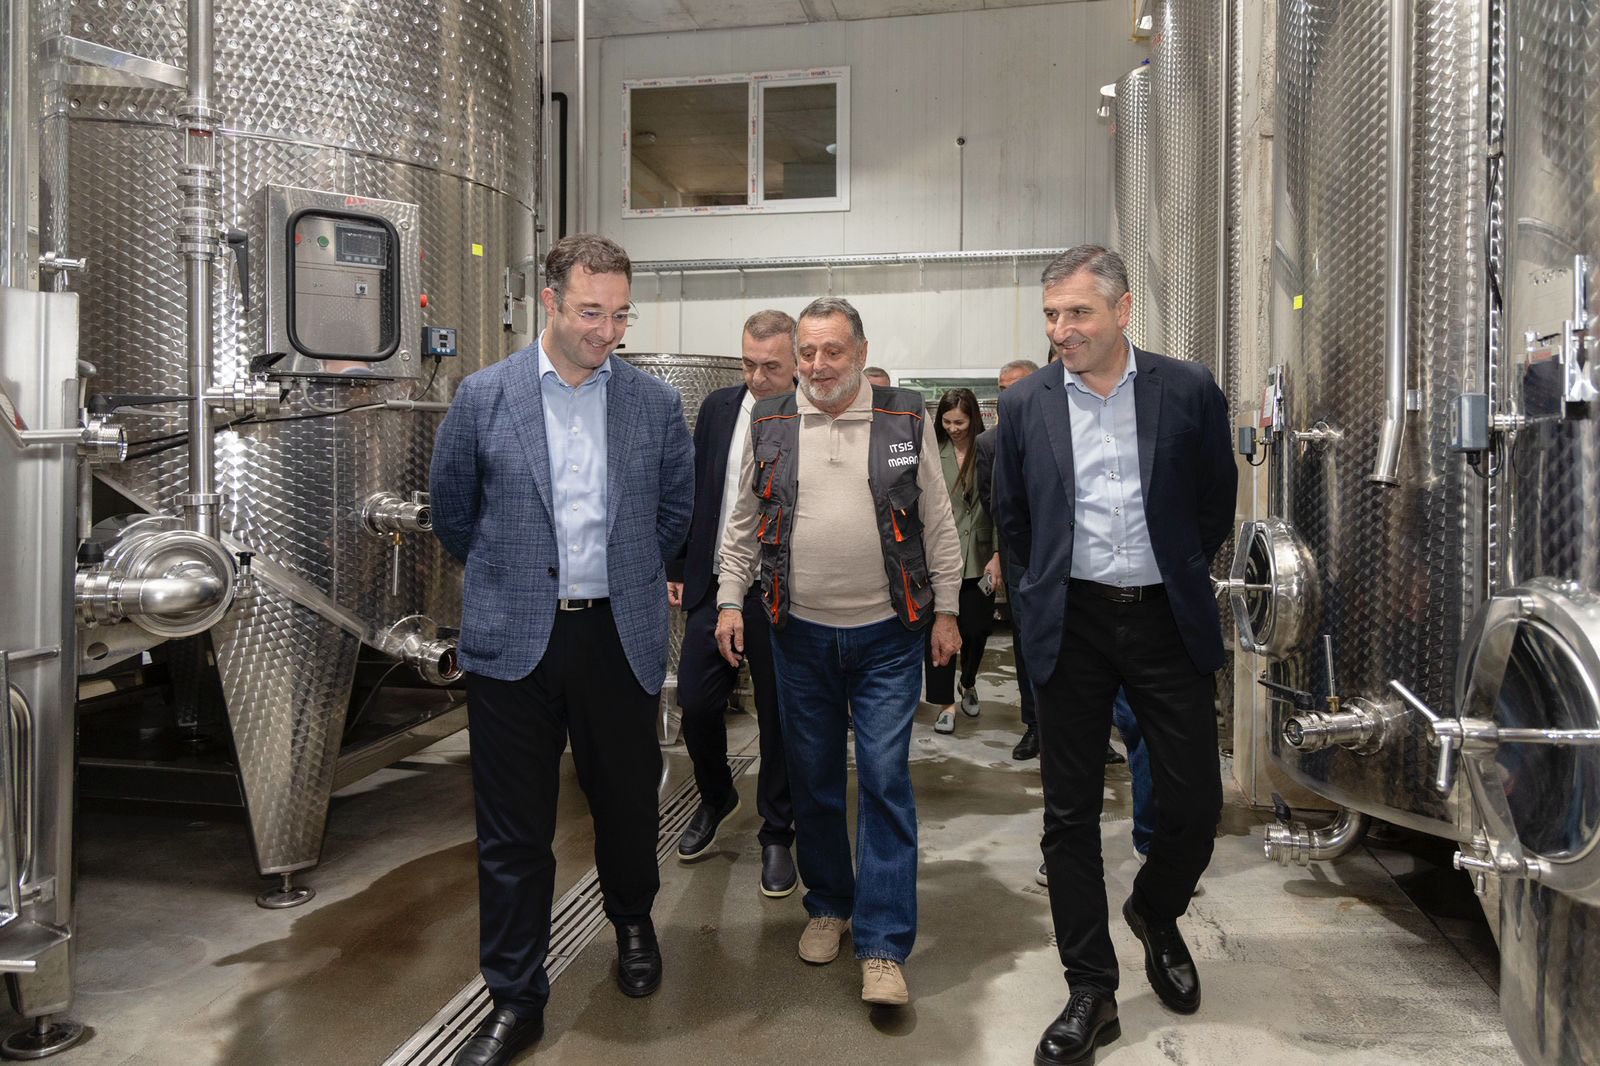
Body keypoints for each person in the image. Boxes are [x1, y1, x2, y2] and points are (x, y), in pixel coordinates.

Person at [429, 234, 694, 1066]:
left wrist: (621, 572)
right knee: (512, 831)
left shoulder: (653, 404)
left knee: (626, 803)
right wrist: (516, 575)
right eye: (590, 312)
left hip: (617, 635)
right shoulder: (484, 396)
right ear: (549, 301)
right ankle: (516, 997)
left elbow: (673, 514)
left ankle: (632, 924)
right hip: (515, 641)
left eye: (620, 315)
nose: (607, 331)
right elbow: (453, 514)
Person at [993, 246, 1234, 1065]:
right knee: (1069, 817)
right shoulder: (1025, 404)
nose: (1061, 329)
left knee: (1195, 801)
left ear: (1123, 311)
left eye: (1078, 313)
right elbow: (1015, 521)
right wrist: (1038, 601)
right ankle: (1090, 987)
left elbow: (1214, 505)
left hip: (1165, 619)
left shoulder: (1188, 389)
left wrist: (1173, 571)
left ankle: (1156, 910)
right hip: (1073, 622)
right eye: (1052, 314)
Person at [715, 297, 962, 1009]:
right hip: (798, 635)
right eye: (808, 352)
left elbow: (938, 521)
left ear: (861, 352)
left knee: (884, 779)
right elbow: (743, 522)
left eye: (834, 351)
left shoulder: (903, 416)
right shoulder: (769, 421)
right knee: (814, 778)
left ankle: (882, 944)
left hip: (889, 634)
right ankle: (829, 905)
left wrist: (948, 608)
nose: (819, 365)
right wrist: (729, 598)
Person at [667, 309, 798, 896]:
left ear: (796, 363)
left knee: (778, 717)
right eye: (748, 363)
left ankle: (777, 833)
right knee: (696, 704)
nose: (757, 377)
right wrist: (678, 565)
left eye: (771, 366)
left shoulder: (808, 413)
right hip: (716, 581)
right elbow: (697, 490)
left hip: (780, 592)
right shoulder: (720, 408)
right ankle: (716, 794)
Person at [925, 388, 1001, 735]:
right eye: (947, 422)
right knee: (940, 632)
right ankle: (945, 704)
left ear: (974, 420)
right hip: (942, 557)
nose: (953, 429)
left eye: (960, 422)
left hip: (981, 556)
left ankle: (968, 681)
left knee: (976, 629)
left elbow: (1000, 505)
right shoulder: (931, 453)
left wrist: (998, 554)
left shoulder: (988, 450)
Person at [974, 359, 1039, 759]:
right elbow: (993, 502)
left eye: (1016, 386)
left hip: (1068, 556)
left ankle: (1090, 734)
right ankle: (1035, 725)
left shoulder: (1063, 428)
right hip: (1020, 557)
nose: (1008, 396)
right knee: (1027, 640)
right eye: (1002, 389)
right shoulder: (989, 443)